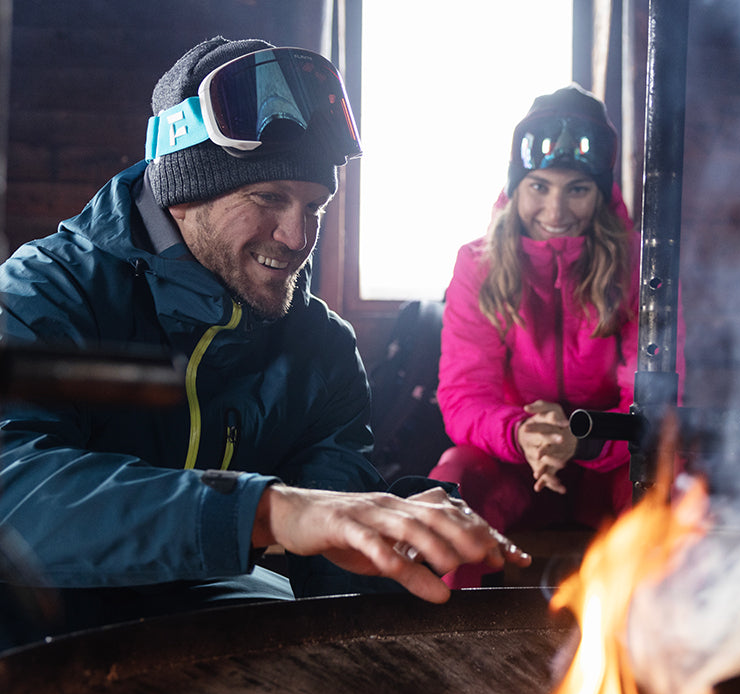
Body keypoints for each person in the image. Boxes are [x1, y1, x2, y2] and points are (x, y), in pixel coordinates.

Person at [0, 37, 530, 650]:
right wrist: (265, 511)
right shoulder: (45, 290)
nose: (297, 234)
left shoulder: (322, 348)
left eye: (315, 204)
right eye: (268, 198)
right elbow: (13, 489)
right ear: (184, 188)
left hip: (196, 620)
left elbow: (330, 556)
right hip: (36, 619)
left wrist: (394, 543)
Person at [430, 84, 642, 589]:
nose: (556, 211)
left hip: (610, 462)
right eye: (539, 186)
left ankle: (656, 649)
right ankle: (450, 647)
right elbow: (464, 395)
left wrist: (584, 440)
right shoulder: (476, 265)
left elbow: (654, 401)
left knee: (667, 487)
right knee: (452, 483)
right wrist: (527, 434)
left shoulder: (640, 268)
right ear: (515, 186)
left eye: (577, 189)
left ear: (603, 192)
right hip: (516, 459)